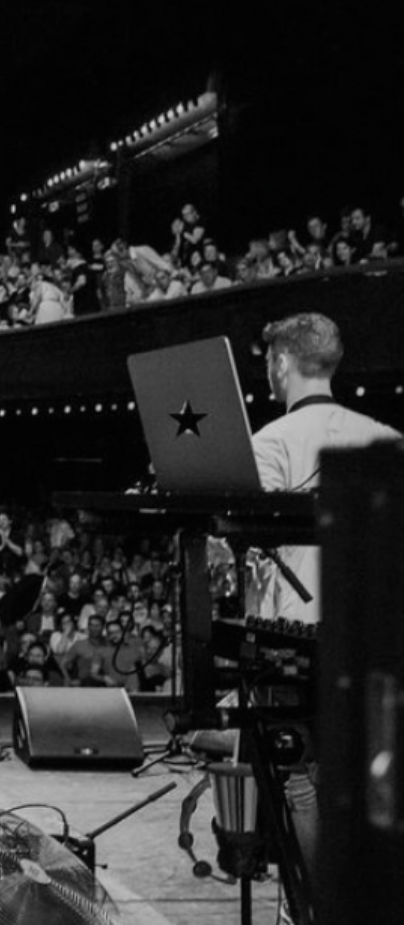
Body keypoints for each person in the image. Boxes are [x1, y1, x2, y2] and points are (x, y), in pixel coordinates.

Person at [245, 312, 400, 885]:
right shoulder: (388, 438)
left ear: (283, 362)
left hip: (292, 643)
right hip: (378, 641)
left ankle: (311, 906)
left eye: (269, 359)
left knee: (299, 773)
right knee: (369, 782)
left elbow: (248, 545)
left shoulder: (270, 442)